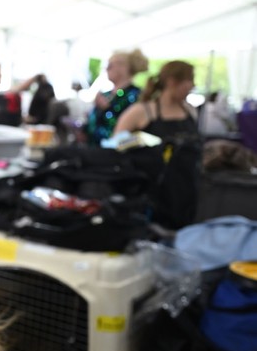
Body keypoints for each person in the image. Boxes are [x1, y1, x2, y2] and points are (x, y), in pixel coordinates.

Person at [113, 60, 202, 230]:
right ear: (172, 82)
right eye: (189, 80)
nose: (192, 85)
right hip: (152, 193)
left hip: (186, 190)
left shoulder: (190, 110)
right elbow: (115, 143)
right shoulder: (142, 111)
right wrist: (144, 139)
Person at [85, 48, 149, 147]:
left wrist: (106, 109)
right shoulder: (107, 94)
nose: (106, 69)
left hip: (115, 153)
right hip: (93, 148)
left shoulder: (137, 95)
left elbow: (127, 130)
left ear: (124, 68)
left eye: (110, 66)